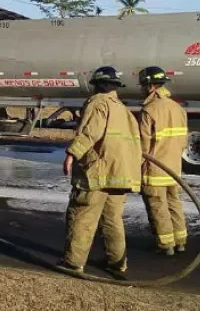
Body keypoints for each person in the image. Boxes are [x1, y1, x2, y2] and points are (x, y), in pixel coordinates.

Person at [57, 66, 142, 276]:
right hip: (120, 174)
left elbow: (89, 132)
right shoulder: (123, 109)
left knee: (82, 215)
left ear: (102, 85)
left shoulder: (98, 103)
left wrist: (72, 154)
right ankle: (117, 263)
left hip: (98, 172)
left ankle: (73, 263)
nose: (94, 90)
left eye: (96, 85)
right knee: (112, 220)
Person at [137, 66, 189, 256]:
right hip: (174, 168)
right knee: (174, 203)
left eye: (143, 86)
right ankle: (180, 241)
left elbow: (142, 145)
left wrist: (138, 166)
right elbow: (184, 141)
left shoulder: (149, 110)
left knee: (158, 205)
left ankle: (166, 245)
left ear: (150, 87)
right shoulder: (178, 108)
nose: (141, 89)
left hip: (155, 168)